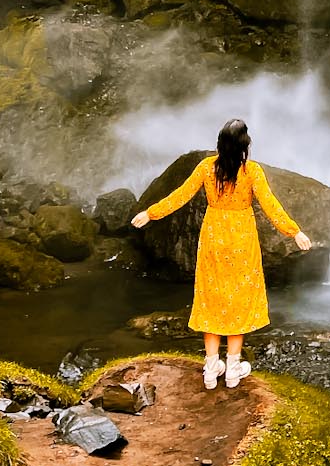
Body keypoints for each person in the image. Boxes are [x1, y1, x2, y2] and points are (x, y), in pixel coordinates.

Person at [131, 118, 311, 390]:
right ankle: (233, 368)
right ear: (245, 146)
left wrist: (150, 213)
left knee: (211, 296)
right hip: (241, 238)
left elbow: (181, 195)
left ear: (219, 144)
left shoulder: (206, 167)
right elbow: (271, 206)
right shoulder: (252, 172)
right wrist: (294, 232)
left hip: (214, 236)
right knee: (238, 299)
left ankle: (211, 366)